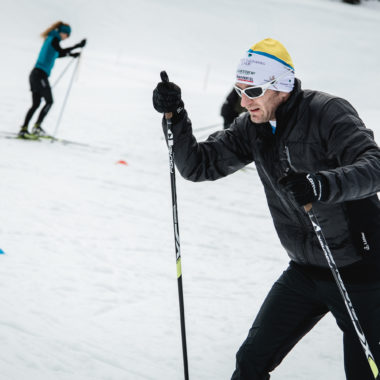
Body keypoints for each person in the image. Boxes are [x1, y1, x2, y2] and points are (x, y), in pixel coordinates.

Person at [153, 38, 380, 379]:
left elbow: (374, 166)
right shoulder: (251, 127)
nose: (243, 102)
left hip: (362, 272)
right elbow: (199, 165)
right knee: (250, 363)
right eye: (239, 90)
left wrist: (321, 185)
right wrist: (175, 116)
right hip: (304, 269)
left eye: (253, 90)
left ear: (282, 86)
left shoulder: (327, 112)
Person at [19, 21, 86, 138]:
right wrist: (77, 46)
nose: (67, 37)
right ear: (62, 32)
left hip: (35, 75)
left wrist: (71, 54)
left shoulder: (51, 39)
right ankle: (36, 127)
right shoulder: (54, 39)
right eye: (67, 35)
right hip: (40, 75)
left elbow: (57, 54)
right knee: (49, 101)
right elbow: (60, 51)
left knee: (36, 104)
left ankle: (25, 128)